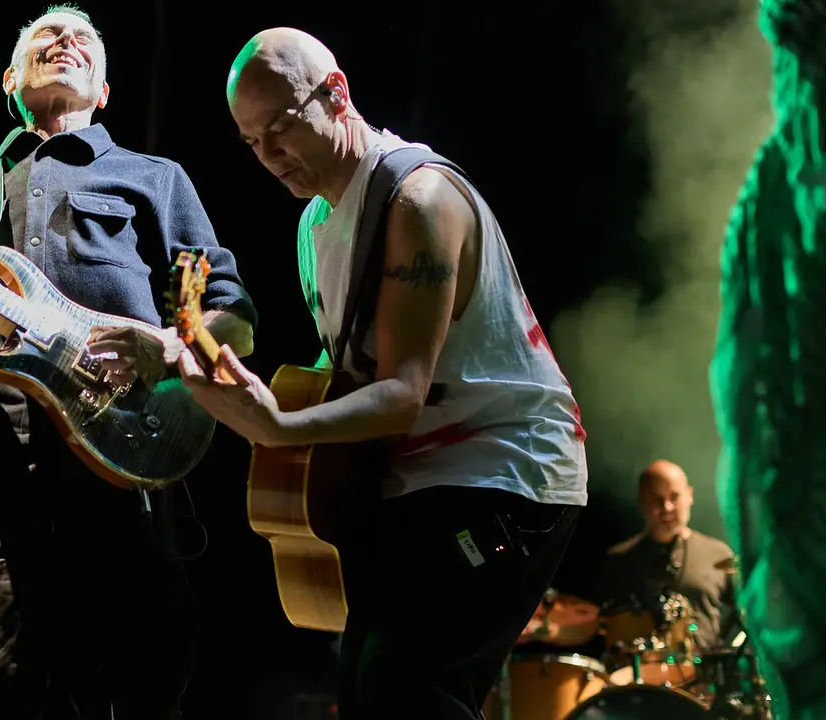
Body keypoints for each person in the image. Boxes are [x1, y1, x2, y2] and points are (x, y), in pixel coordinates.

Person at [176, 27, 588, 720]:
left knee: (405, 686)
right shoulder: (313, 226)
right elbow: (350, 374)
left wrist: (281, 427)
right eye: (251, 143)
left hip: (506, 473)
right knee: (365, 693)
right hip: (415, 485)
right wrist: (224, 381)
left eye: (279, 127)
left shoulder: (418, 200)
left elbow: (401, 394)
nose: (270, 156)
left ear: (337, 94)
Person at [0, 5, 257, 719]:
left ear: (104, 91)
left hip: (126, 450)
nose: (65, 41)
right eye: (46, 35)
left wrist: (163, 346)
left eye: (83, 40)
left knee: (131, 680)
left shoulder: (156, 178)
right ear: (11, 79)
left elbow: (237, 319)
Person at [597, 459, 739, 652]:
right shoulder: (620, 559)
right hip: (640, 675)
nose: (667, 507)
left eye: (674, 497)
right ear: (642, 502)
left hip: (706, 674)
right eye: (657, 500)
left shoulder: (718, 554)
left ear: (690, 495)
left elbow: (749, 616)